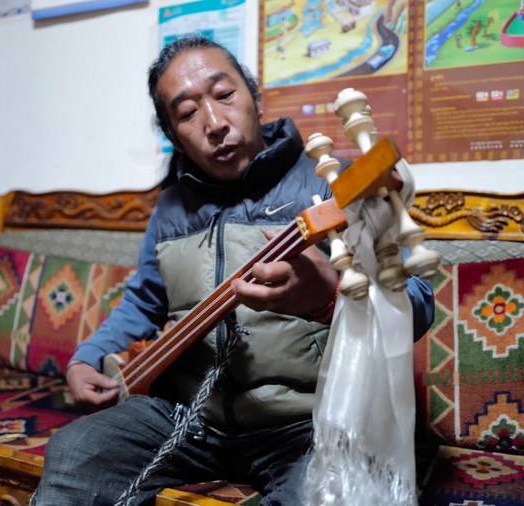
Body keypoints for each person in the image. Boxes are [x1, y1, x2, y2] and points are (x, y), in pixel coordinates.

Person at [32, 35, 434, 505]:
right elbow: (144, 301)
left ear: (256, 100)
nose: (215, 123)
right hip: (191, 416)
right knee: (75, 452)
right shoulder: (171, 207)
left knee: (323, 494)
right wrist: (88, 356)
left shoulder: (330, 185)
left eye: (225, 95)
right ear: (172, 135)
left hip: (308, 420)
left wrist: (330, 297)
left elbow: (417, 303)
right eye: (187, 113)